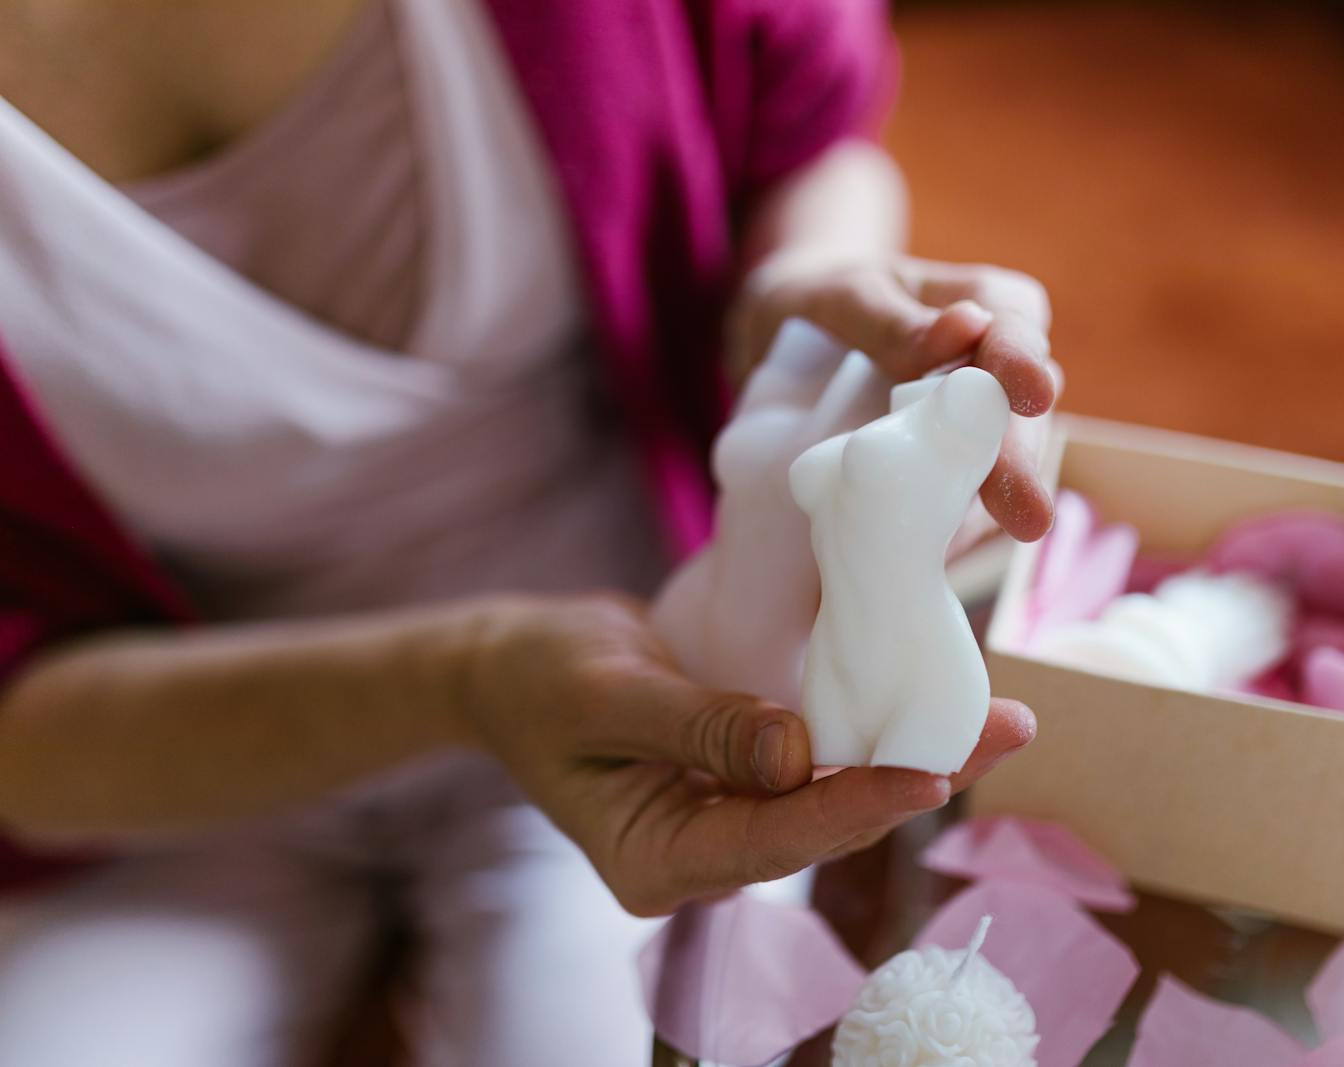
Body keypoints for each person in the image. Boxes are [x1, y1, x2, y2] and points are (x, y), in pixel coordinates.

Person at [0, 0, 1057, 1063]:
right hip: (178, 749)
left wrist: (803, 300)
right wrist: (466, 679)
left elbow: (812, 140)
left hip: (646, 670)